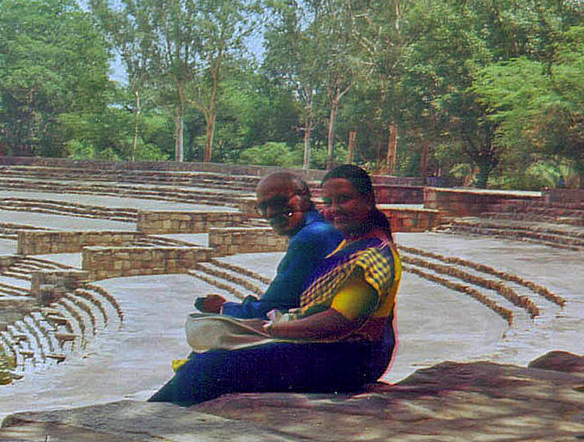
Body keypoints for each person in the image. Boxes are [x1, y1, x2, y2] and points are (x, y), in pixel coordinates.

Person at [149, 164, 401, 406]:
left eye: (344, 199)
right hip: (344, 351)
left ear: (368, 200)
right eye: (329, 202)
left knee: (209, 366)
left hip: (348, 358)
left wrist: (271, 330)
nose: (335, 209)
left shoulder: (367, 254)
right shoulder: (350, 240)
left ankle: (150, 417)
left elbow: (339, 321)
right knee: (212, 356)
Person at [194, 171, 343, 318]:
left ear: (303, 198)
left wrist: (223, 308)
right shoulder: (319, 228)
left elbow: (270, 309)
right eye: (263, 207)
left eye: (278, 202)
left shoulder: (312, 236)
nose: (270, 213)